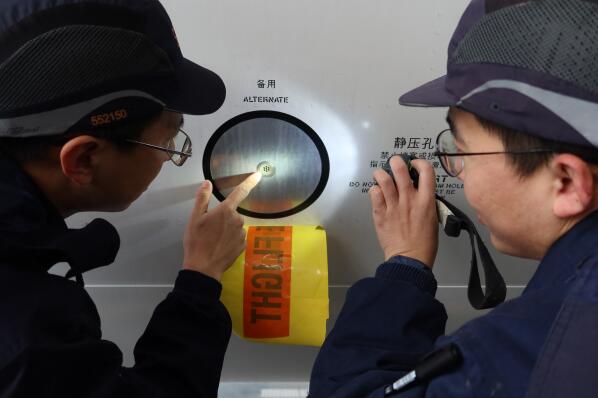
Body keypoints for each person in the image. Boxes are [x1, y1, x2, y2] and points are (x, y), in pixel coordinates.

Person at [309, 0, 598, 397]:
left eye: (461, 151)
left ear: (566, 182)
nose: (455, 170)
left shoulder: (525, 353)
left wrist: (403, 270)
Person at [0, 0, 261, 397]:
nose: (174, 153)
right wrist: (201, 277)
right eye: (169, 139)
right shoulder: (25, 334)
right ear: (84, 158)